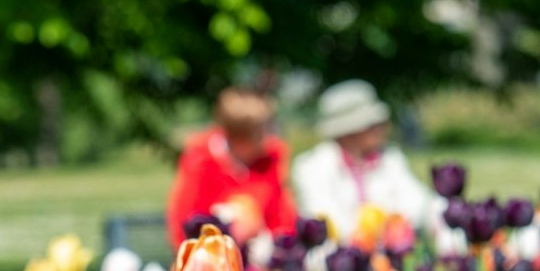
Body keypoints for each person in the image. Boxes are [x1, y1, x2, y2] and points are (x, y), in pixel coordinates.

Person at [291, 80, 433, 243]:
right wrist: (370, 232)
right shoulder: (311, 167)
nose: (382, 127)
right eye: (372, 124)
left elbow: (418, 200)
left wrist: (391, 226)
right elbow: (326, 218)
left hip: (394, 244)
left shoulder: (390, 157)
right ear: (349, 130)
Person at [164, 88, 296, 248]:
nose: (269, 138)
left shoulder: (270, 161)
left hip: (262, 259)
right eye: (262, 132)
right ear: (239, 137)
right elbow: (183, 224)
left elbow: (285, 221)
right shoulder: (200, 162)